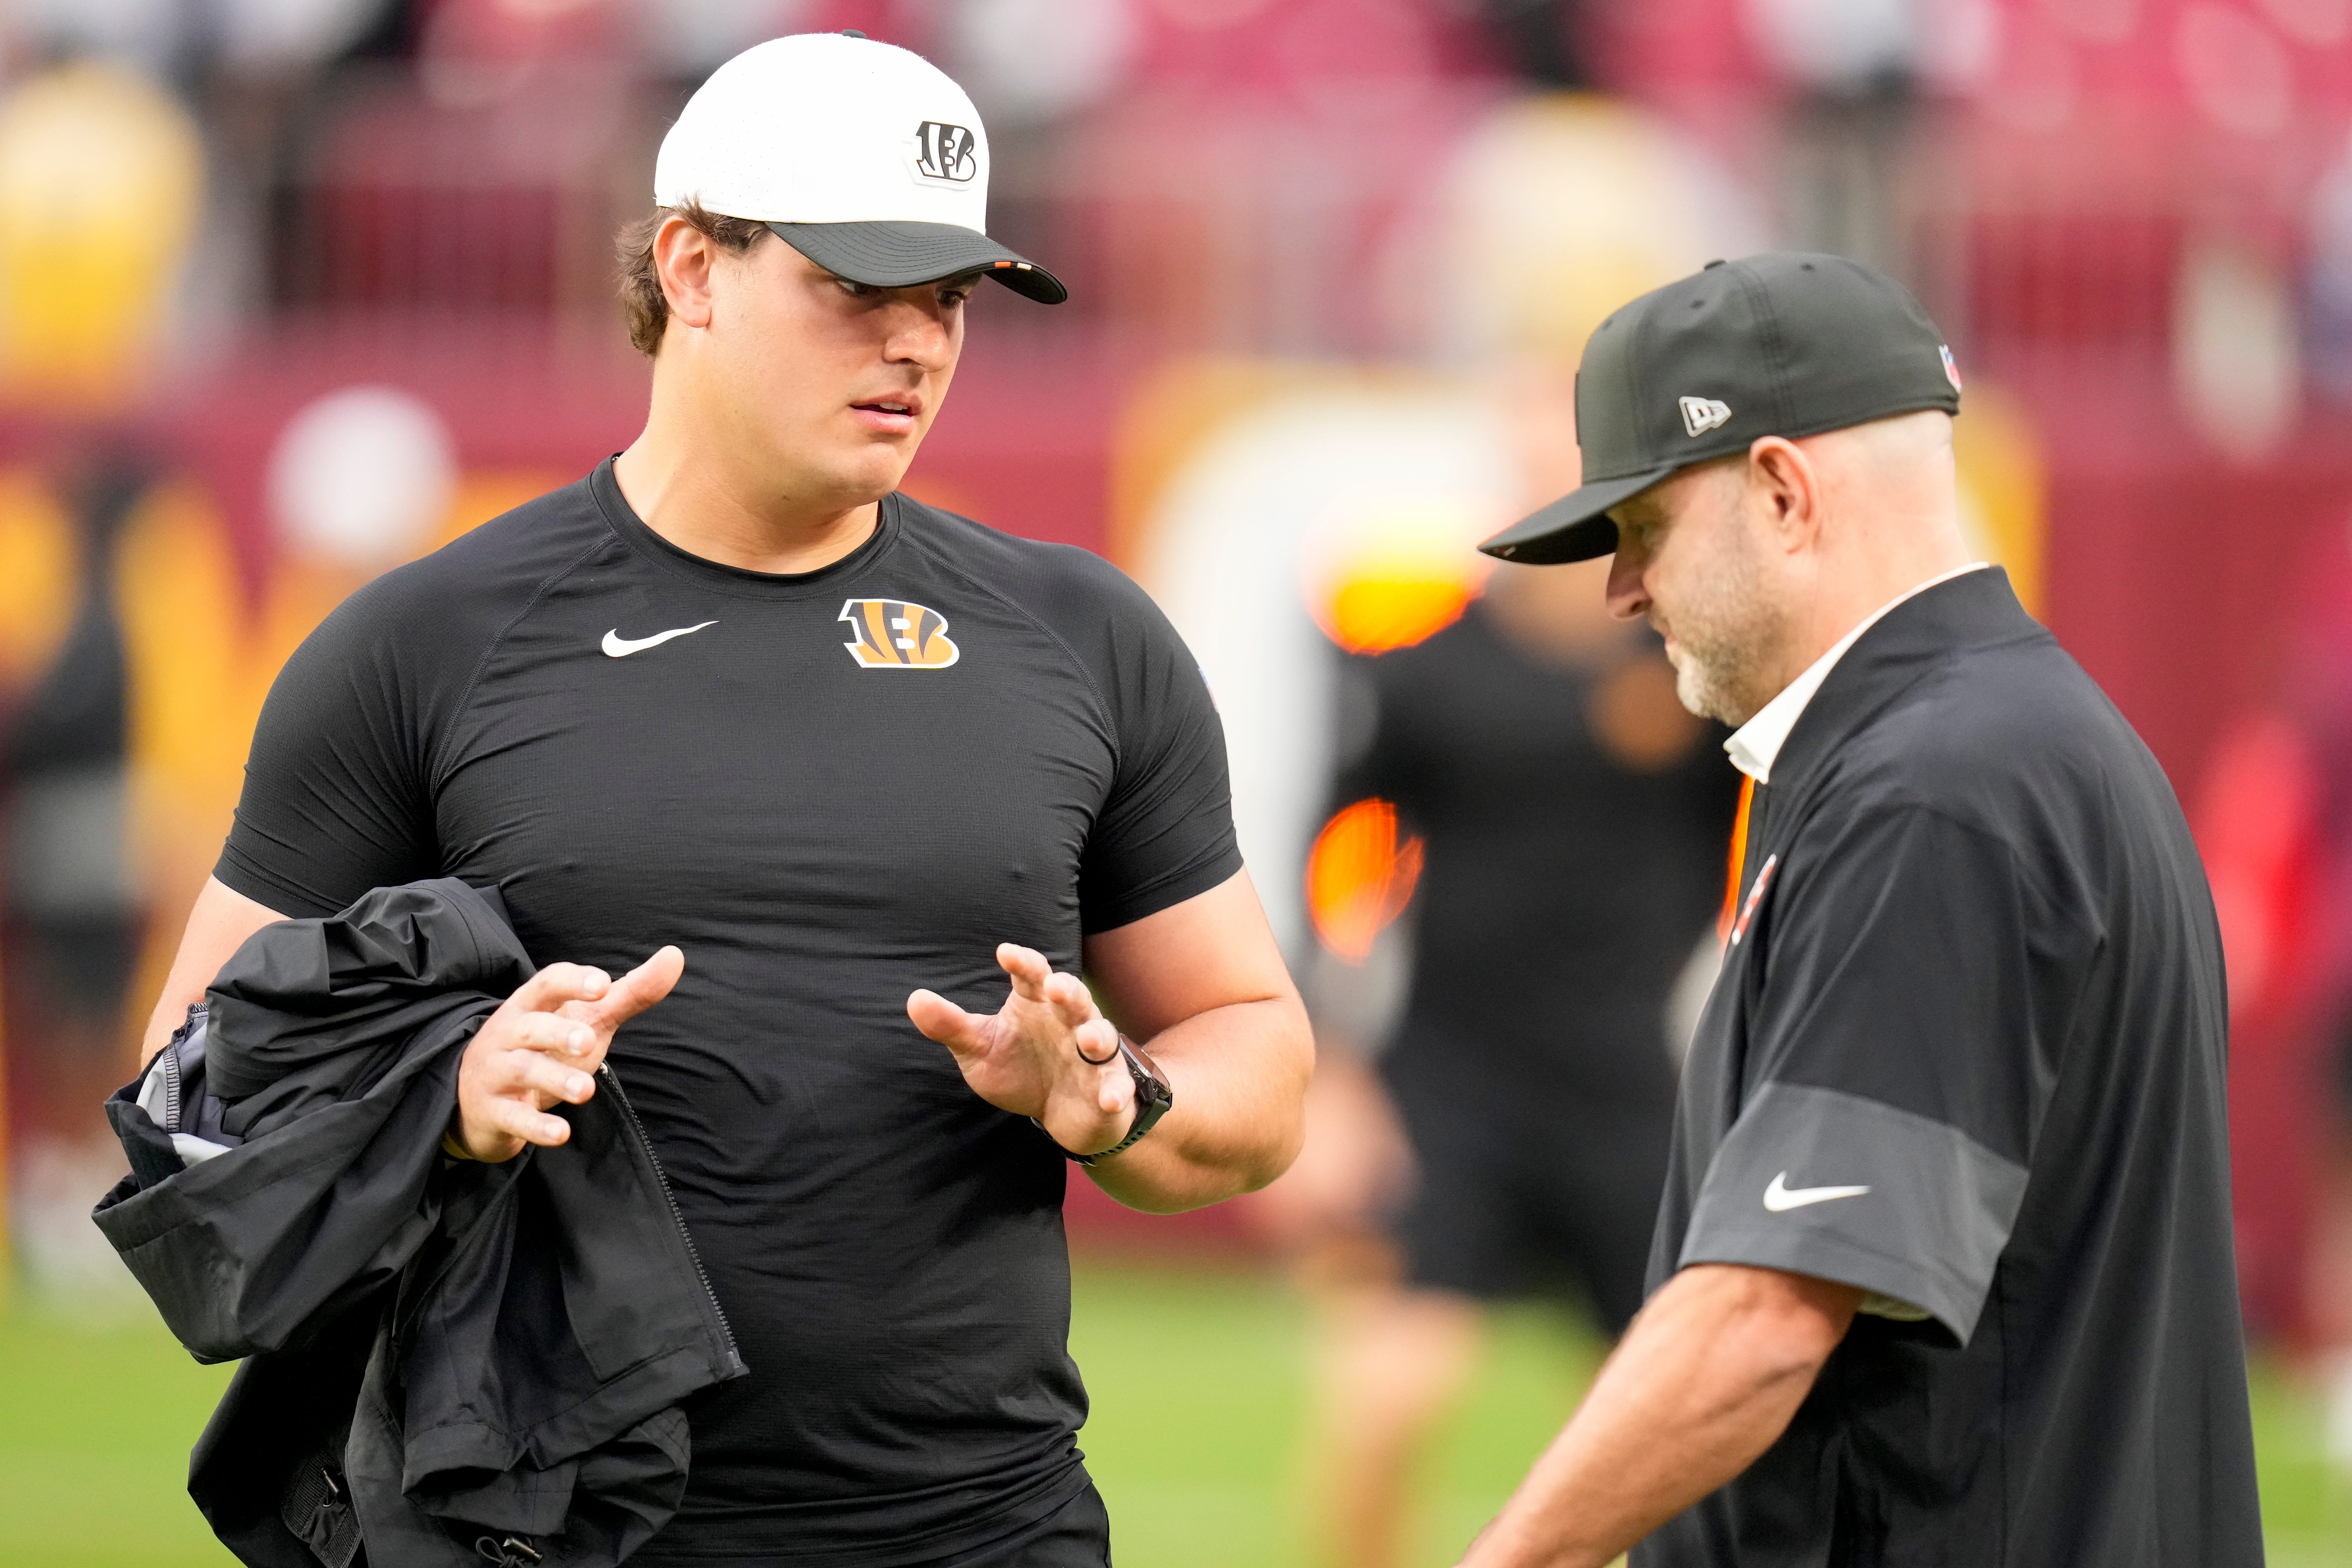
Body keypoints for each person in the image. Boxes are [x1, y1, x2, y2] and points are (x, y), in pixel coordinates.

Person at [136, 32, 1312, 1568]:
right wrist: (441, 1099)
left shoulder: (1084, 636)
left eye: (948, 296)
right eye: (858, 288)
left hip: (988, 1527)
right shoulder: (425, 642)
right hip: (551, 1533)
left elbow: (1259, 1057)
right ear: (690, 267)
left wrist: (1118, 1100)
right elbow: (187, 1089)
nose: (917, 346)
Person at [1459, 253, 2261, 1567]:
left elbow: (1770, 1310)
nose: (1619, 590)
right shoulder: (1993, 742)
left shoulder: (1938, 790)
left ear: (1781, 490)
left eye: (1643, 530)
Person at [1294, 556, 1736, 1568]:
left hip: (1621, 1090)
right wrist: (1329, 1063)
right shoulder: (1432, 670)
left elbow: (1739, 845)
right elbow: (1327, 836)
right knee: (1385, 1406)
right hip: (1452, 1086)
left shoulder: (1684, 669)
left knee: (1659, 1435)